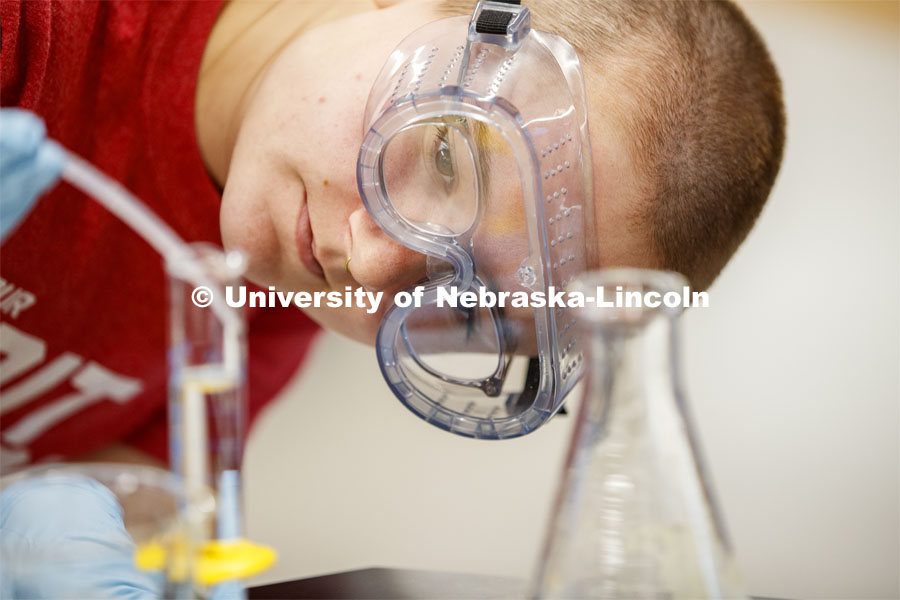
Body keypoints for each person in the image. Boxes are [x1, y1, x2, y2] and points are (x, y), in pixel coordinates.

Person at [0, 0, 784, 595]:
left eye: (465, 300)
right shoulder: (38, 33)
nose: (373, 267)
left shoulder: (273, 303)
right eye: (445, 156)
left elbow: (113, 492)